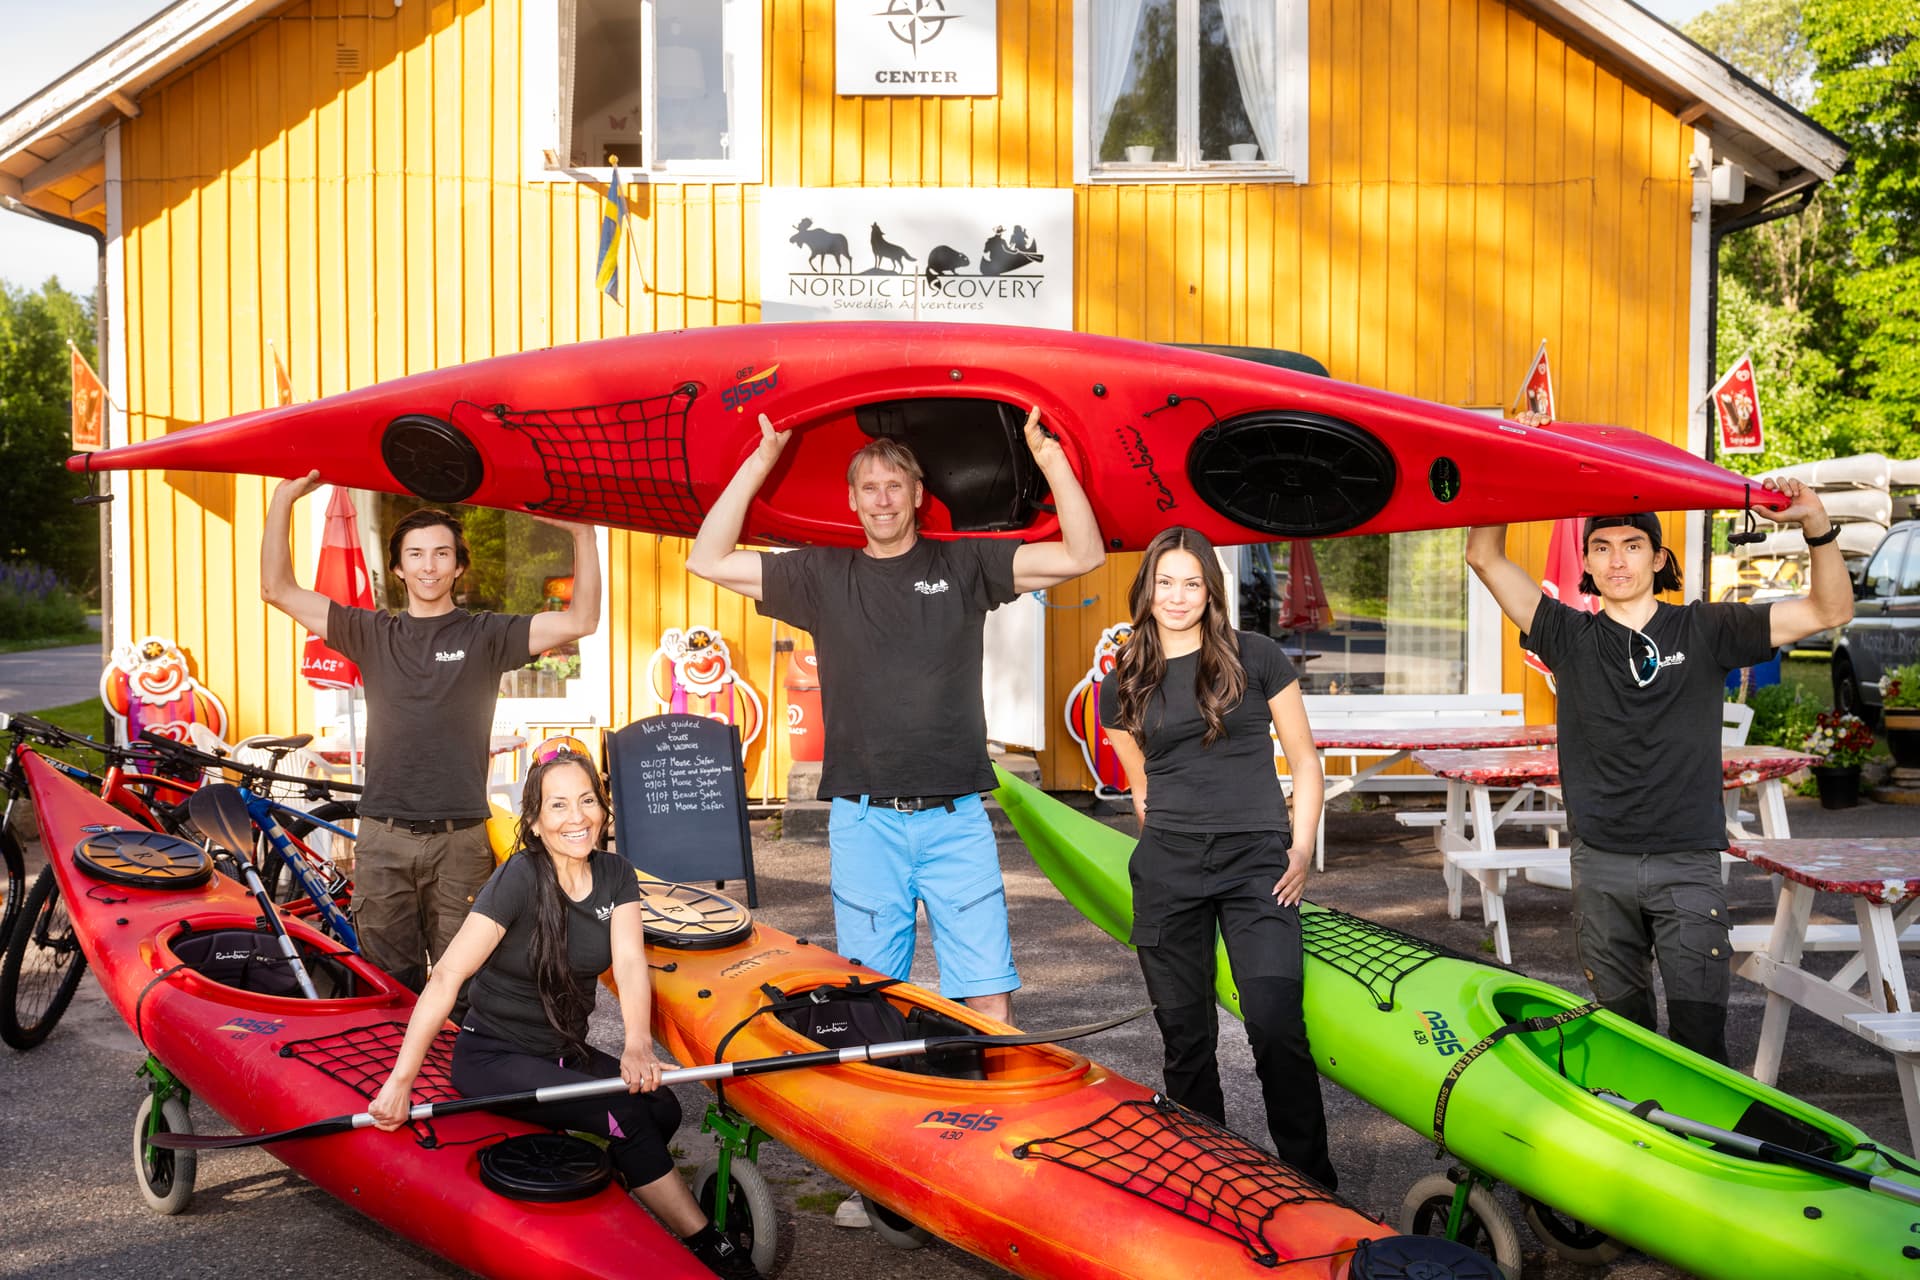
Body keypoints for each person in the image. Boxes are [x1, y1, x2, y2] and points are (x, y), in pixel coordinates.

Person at [686, 411, 1105, 1027]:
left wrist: (1048, 459)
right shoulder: (821, 575)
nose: (883, 500)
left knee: (987, 995)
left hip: (955, 820)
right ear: (852, 501)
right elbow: (708, 560)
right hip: (864, 825)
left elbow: (1083, 553)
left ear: (918, 495)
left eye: (894, 486)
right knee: (871, 1000)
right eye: (869, 488)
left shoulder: (965, 568)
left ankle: (994, 1118)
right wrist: (761, 461)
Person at [1465, 483, 1852, 1062]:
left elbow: (1831, 610)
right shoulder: (1566, 635)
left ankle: (1708, 1147)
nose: (1617, 560)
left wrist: (1816, 523)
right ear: (1588, 563)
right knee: (1628, 1045)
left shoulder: (1706, 629)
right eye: (1601, 547)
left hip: (1687, 865)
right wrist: (1512, 465)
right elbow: (1484, 556)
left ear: (1658, 557)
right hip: (1600, 866)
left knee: (1700, 1043)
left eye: (1632, 545)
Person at [367, 751, 756, 1279]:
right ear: (534, 820)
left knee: (661, 1106)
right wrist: (400, 1081)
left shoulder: (615, 873)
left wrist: (637, 1044)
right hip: (493, 1055)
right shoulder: (519, 878)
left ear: (603, 807)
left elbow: (629, 963)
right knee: (623, 1116)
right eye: (559, 805)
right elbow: (446, 977)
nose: (577, 817)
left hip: (560, 1053)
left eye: (587, 801)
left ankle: (606, 1198)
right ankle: (711, 1250)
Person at [262, 472, 602, 991]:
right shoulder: (372, 632)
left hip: (460, 841)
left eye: (442, 553)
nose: (429, 565)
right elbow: (276, 589)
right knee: (386, 985)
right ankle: (397, 1073)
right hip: (383, 837)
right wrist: (284, 499)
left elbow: (581, 620)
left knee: (463, 985)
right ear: (397, 566)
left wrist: (583, 535)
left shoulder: (486, 635)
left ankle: (453, 1073)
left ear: (459, 565)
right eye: (416, 554)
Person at [1096, 526, 1337, 1188]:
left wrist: (1302, 845)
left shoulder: (1256, 657)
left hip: (1258, 862)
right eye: (1164, 582)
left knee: (1275, 1027)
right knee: (1187, 1045)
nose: (1176, 597)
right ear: (1145, 589)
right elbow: (1142, 792)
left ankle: (1314, 1187)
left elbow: (1306, 763)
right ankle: (1213, 1186)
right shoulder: (1119, 685)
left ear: (1211, 591)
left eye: (1191, 583)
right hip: (1168, 870)